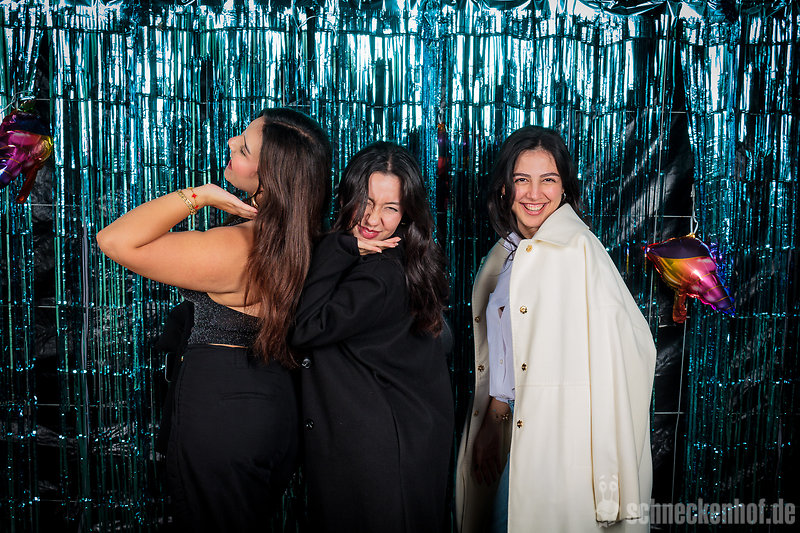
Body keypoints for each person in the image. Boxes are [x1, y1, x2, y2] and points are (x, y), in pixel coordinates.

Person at [96, 108, 332, 532]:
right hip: (272, 411)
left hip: (225, 418)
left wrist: (199, 196)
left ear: (270, 178)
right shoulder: (303, 238)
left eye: (244, 149)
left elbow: (114, 240)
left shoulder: (240, 248)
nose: (230, 144)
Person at [455, 126, 656, 533]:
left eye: (548, 179)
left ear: (564, 188)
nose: (534, 193)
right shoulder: (509, 253)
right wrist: (494, 420)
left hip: (561, 445)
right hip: (513, 429)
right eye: (522, 180)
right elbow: (512, 353)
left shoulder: (579, 252)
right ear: (504, 188)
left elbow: (627, 357)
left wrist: (610, 481)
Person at [290, 141, 454, 533]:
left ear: (407, 213)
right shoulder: (399, 259)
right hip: (389, 444)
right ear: (348, 195)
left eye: (390, 208)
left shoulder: (380, 274)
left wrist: (340, 245)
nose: (373, 219)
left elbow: (305, 327)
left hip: (379, 455)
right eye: (366, 201)